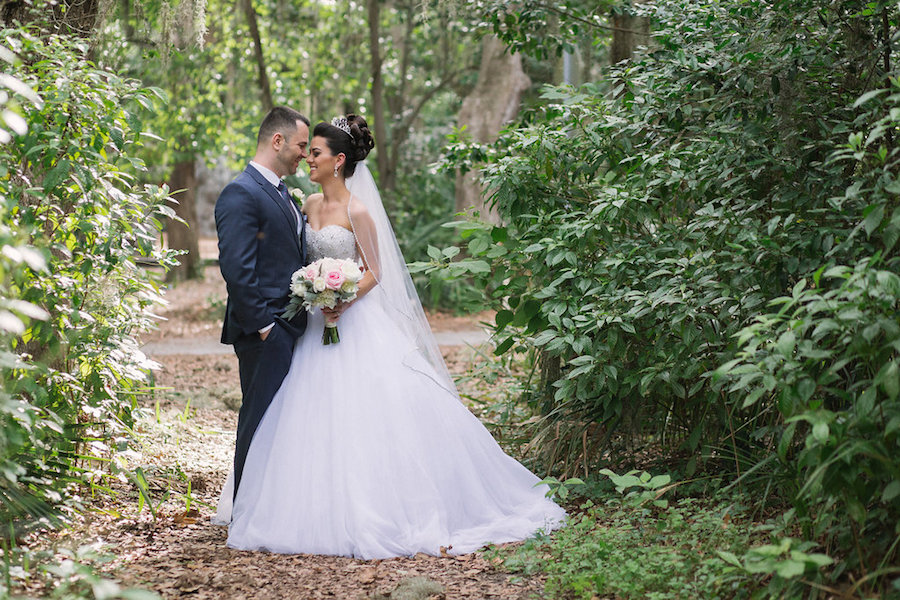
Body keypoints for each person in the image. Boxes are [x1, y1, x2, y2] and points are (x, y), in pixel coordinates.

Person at [214, 114, 565, 559]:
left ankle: (377, 505)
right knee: (295, 418)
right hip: (305, 326)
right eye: (305, 148)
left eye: (315, 151)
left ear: (339, 161)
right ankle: (291, 502)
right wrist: (311, 294)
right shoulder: (303, 205)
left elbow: (375, 271)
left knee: (368, 415)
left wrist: (341, 297)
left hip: (352, 321)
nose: (307, 157)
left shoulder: (356, 211)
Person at [214, 106, 310, 501]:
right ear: (277, 140)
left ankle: (272, 505)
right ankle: (245, 508)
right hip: (265, 331)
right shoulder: (241, 193)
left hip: (290, 327)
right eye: (301, 145)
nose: (305, 154)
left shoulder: (280, 192)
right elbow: (237, 268)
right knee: (257, 420)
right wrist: (265, 327)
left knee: (280, 422)